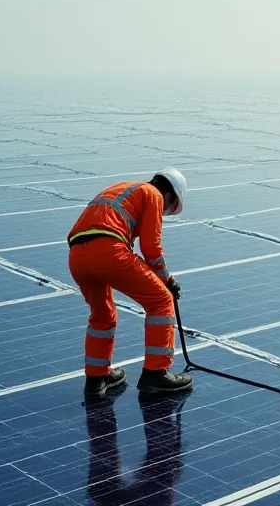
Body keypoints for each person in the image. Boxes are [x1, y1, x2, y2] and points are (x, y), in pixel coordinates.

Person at [68, 168, 192, 398]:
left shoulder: (121, 188)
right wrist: (167, 281)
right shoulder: (153, 194)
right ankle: (156, 374)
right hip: (108, 251)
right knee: (161, 301)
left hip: (77, 256)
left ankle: (96, 378)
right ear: (169, 195)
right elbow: (151, 248)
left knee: (102, 314)